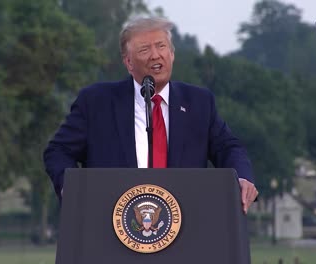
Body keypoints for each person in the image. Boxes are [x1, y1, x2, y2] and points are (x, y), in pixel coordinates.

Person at [43, 17, 258, 213]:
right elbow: (58, 151)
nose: (156, 55)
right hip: (111, 225)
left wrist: (242, 177)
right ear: (128, 63)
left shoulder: (199, 102)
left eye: (161, 46)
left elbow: (228, 147)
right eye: (145, 49)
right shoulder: (96, 102)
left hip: (186, 225)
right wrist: (71, 187)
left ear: (172, 54)